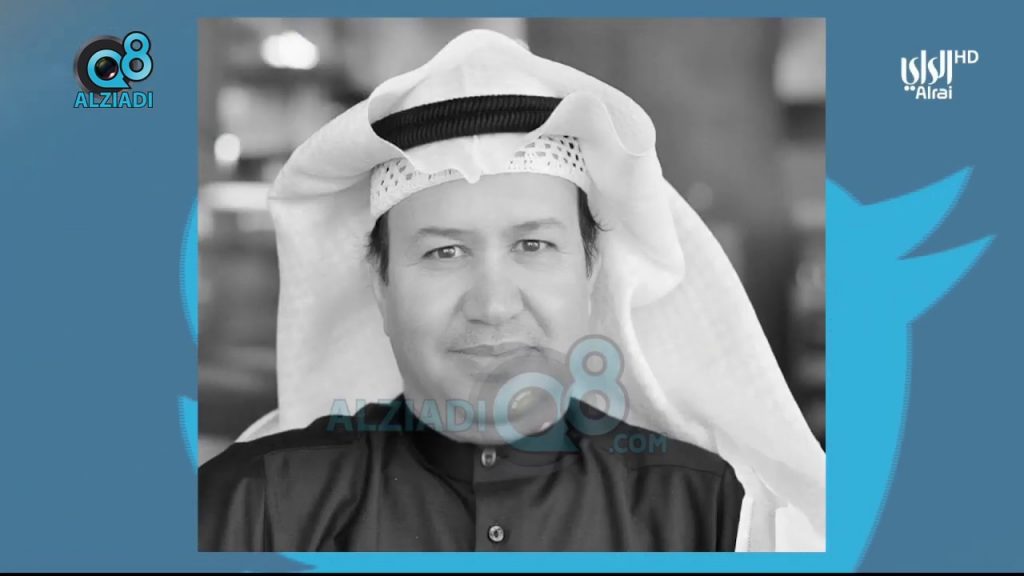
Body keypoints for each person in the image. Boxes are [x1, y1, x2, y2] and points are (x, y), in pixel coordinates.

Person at [198, 29, 825, 552]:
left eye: (533, 245)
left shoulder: (712, 519)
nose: (494, 305)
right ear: (380, 286)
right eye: (444, 252)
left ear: (591, 273)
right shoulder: (250, 509)